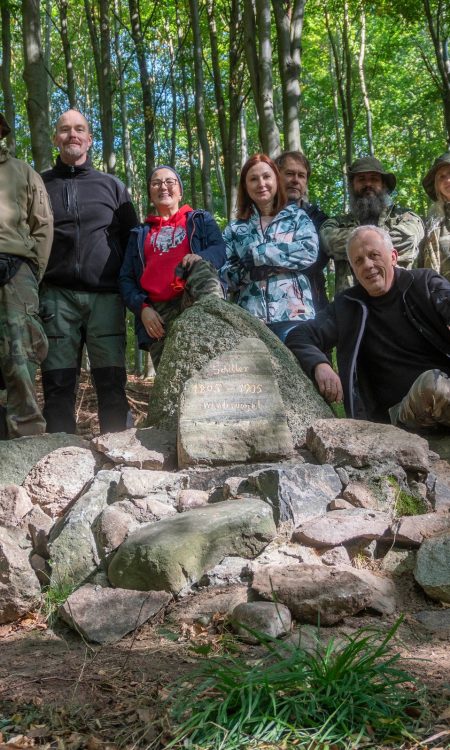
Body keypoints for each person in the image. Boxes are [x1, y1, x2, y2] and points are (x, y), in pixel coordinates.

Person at [286, 225, 450, 430]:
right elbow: (299, 335)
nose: (368, 265)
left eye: (374, 255)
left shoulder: (423, 283)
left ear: (393, 256)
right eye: (359, 261)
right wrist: (320, 364)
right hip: (398, 416)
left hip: (445, 392)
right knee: (431, 385)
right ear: (353, 270)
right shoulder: (347, 306)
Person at [40, 109, 138, 434]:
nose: (72, 135)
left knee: (111, 382)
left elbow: (131, 240)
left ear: (89, 140)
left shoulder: (112, 186)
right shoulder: (39, 185)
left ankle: (121, 455)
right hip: (55, 297)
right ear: (56, 138)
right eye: (65, 129)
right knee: (57, 384)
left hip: (106, 298)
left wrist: (131, 291)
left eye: (79, 129)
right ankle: (58, 458)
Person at [119, 165, 225, 369]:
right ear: (150, 193)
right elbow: (126, 279)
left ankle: (215, 321)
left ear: (180, 191)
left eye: (170, 181)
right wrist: (142, 309)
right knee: (172, 378)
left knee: (200, 264)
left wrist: (199, 256)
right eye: (156, 183)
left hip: (194, 298)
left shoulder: (199, 220)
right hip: (158, 314)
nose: (163, 187)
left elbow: (220, 250)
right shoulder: (139, 234)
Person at [220, 154, 319, 342]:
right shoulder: (235, 228)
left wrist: (261, 254)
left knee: (301, 367)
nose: (261, 183)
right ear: (245, 186)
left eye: (266, 177)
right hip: (248, 319)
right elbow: (224, 274)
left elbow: (308, 252)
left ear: (276, 180)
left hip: (295, 315)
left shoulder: (297, 217)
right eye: (253, 179)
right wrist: (252, 274)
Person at [0, 112, 53, 439]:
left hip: (15, 270)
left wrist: (31, 269)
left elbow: (43, 226)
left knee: (19, 354)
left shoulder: (23, 172)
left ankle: (28, 438)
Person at [321, 157, 424, 295]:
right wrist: (380, 245)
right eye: (361, 179)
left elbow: (409, 239)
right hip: (353, 306)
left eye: (374, 179)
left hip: (401, 300)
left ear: (383, 185)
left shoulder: (406, 217)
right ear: (353, 186)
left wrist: (355, 245)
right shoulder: (337, 223)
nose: (368, 183)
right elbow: (327, 241)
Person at [275, 150, 329, 311]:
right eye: (289, 174)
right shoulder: (258, 217)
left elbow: (315, 260)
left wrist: (266, 259)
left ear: (306, 182)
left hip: (310, 304)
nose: (295, 180)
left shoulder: (318, 219)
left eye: (301, 175)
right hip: (262, 307)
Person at [420, 152, 450, 281]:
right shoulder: (434, 228)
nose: (447, 180)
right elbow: (433, 277)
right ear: (437, 186)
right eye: (441, 177)